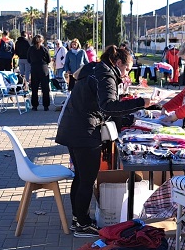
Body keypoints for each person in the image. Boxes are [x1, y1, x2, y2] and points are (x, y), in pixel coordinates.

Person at [56, 45, 156, 237]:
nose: (127, 73)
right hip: (84, 132)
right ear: (118, 63)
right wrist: (139, 103)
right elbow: (109, 106)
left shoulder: (95, 68)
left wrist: (125, 117)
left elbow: (98, 104)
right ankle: (82, 224)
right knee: (87, 179)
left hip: (74, 128)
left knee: (81, 177)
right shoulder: (106, 75)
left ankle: (79, 219)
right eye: (127, 69)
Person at [26, 34, 51, 110]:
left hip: (34, 69)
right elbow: (49, 59)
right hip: (43, 69)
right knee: (45, 88)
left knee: (34, 88)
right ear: (42, 41)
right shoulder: (44, 49)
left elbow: (28, 59)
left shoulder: (30, 49)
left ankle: (34, 105)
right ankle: (46, 106)